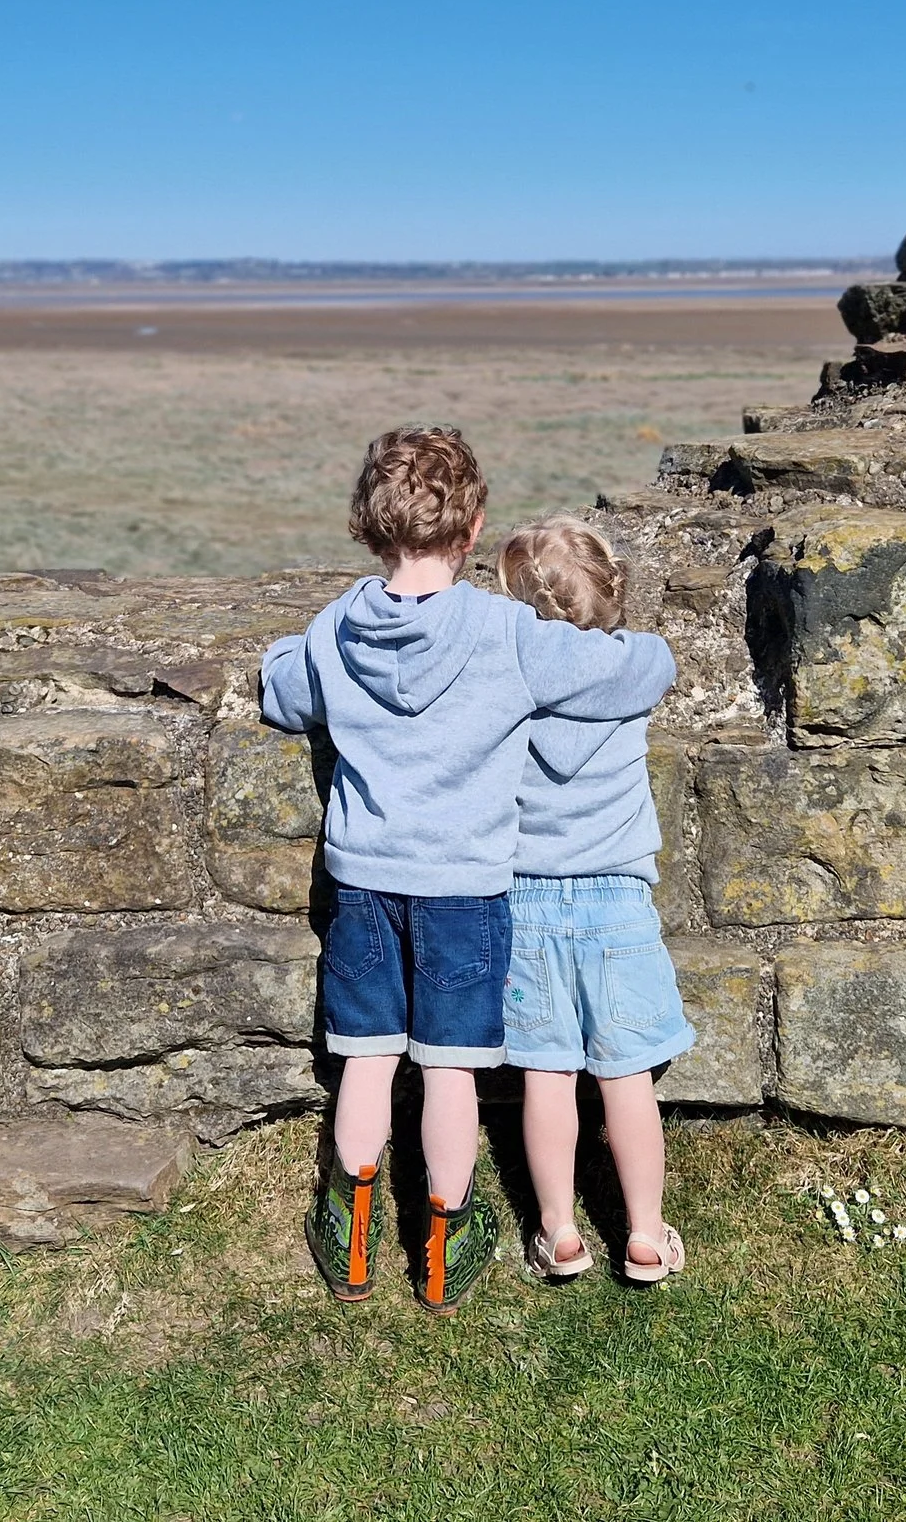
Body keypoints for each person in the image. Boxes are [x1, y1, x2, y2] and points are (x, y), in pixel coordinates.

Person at [260, 428, 675, 1312]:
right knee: (451, 1068)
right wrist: (655, 649)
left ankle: (350, 1227)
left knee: (367, 1059)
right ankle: (445, 1233)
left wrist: (277, 658)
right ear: (475, 526)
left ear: (369, 529)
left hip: (365, 884)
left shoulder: (336, 627)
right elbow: (630, 673)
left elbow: (284, 692)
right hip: (468, 891)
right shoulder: (506, 631)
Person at [496, 516, 692, 1285]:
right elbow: (656, 651)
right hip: (618, 898)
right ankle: (644, 1234)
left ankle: (559, 1231)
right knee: (627, 1076)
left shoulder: (511, 675)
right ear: (613, 589)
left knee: (545, 1075)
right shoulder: (640, 664)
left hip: (527, 896)